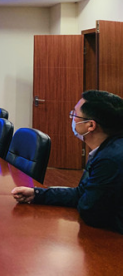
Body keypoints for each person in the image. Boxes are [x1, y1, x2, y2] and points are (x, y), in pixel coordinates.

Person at [12, 90, 123, 235]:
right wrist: (37, 194)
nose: (72, 118)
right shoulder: (106, 149)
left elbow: (90, 212)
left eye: (75, 114)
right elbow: (82, 193)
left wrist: (83, 199)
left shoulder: (110, 159)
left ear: (90, 125)